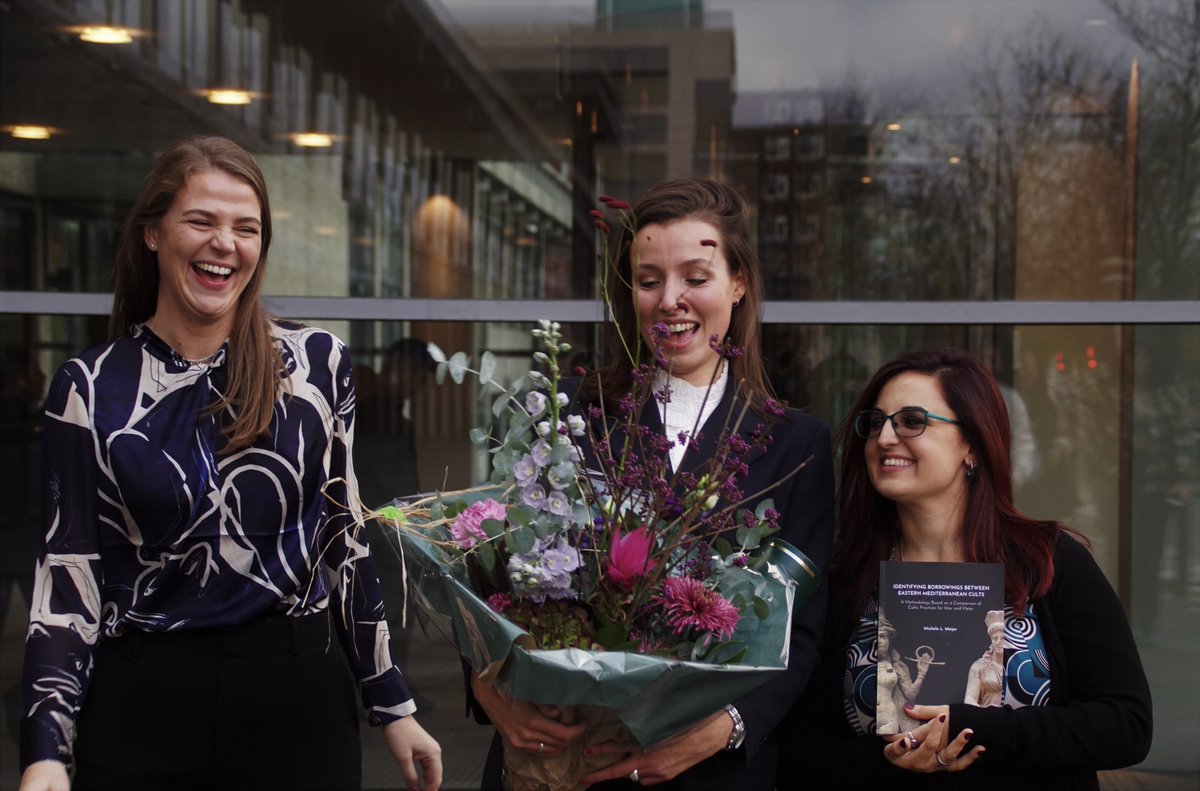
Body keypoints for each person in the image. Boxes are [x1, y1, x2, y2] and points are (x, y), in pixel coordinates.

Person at [18, 135, 442, 791]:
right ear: (154, 233)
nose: (226, 242)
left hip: (296, 699)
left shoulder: (317, 368)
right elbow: (68, 576)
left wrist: (393, 703)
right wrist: (46, 748)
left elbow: (346, 544)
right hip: (142, 705)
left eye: (247, 228)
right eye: (202, 221)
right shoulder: (89, 387)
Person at [467, 177, 836, 790]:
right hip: (562, 758)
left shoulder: (795, 445)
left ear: (739, 283)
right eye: (648, 280)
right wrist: (491, 690)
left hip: (705, 771)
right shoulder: (567, 420)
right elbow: (488, 579)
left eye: (696, 277)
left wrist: (723, 729)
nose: (671, 300)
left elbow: (804, 628)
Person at [779, 348, 1151, 790]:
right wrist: (885, 760)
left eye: (912, 420)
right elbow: (797, 748)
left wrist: (979, 731)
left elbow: (1125, 725)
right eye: (875, 423)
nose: (884, 438)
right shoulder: (847, 581)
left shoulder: (1047, 562)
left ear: (972, 443)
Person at [964, 610, 1005, 708]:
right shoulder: (978, 666)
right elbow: (969, 699)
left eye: (1003, 638)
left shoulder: (1017, 666)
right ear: (991, 640)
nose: (998, 642)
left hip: (1012, 718)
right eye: (995, 638)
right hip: (987, 716)